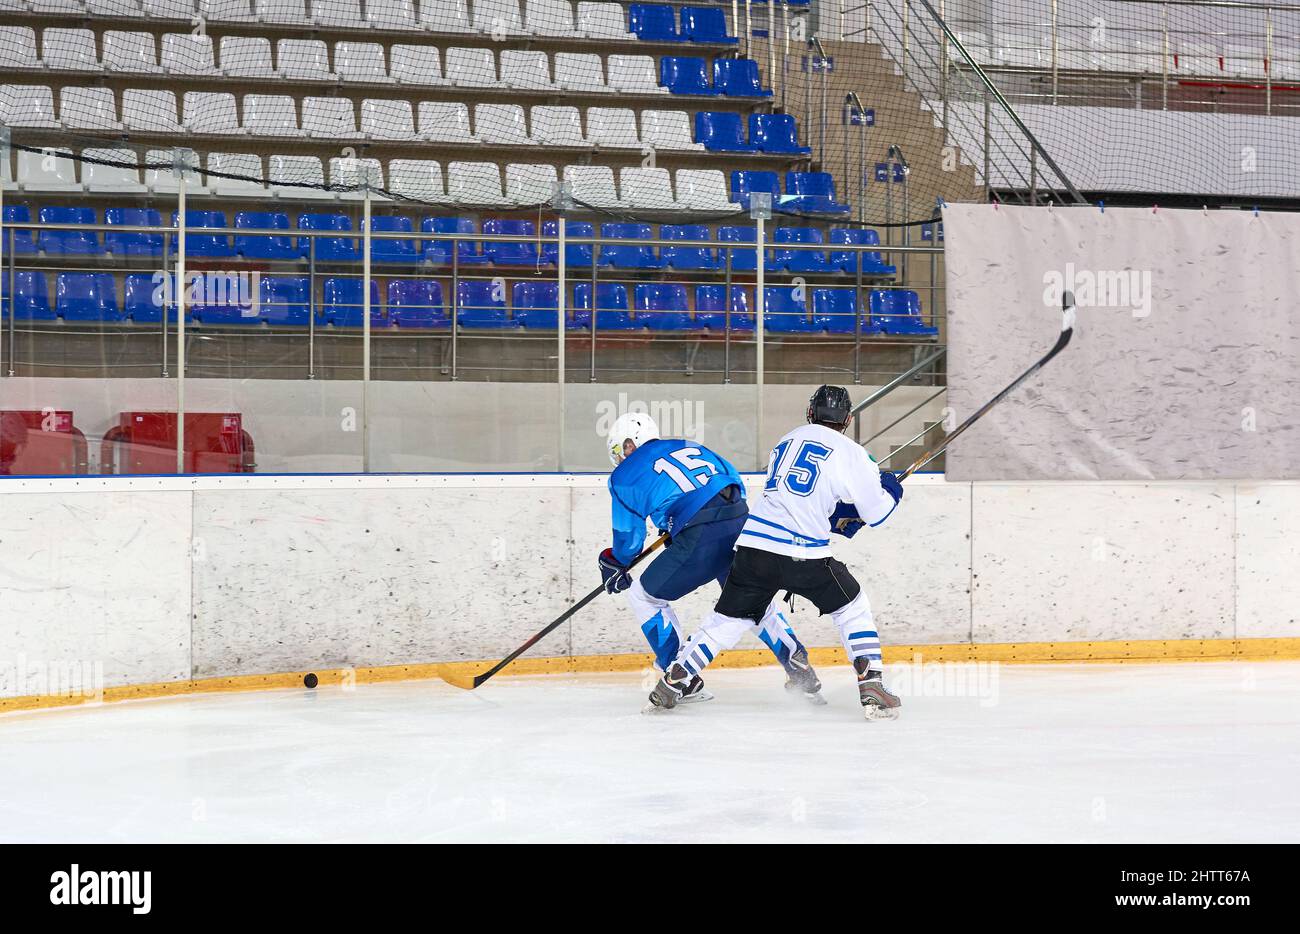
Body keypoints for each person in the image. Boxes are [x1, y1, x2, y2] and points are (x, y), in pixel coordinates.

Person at [645, 386, 906, 720]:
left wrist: (839, 516)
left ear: (810, 412)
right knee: (852, 608)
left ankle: (676, 677)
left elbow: (797, 497)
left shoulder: (785, 441)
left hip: (754, 548)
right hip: (804, 555)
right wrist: (891, 490)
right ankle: (871, 683)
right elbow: (876, 514)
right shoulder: (853, 453)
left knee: (725, 621)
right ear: (848, 419)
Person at [600, 412, 823, 704]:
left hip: (701, 533)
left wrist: (613, 560)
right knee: (748, 600)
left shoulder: (624, 475)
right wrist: (681, 523)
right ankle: (797, 663)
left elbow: (629, 542)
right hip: (741, 521)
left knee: (644, 596)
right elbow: (732, 482)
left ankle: (680, 676)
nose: (620, 459)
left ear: (630, 444)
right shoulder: (689, 446)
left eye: (619, 451)